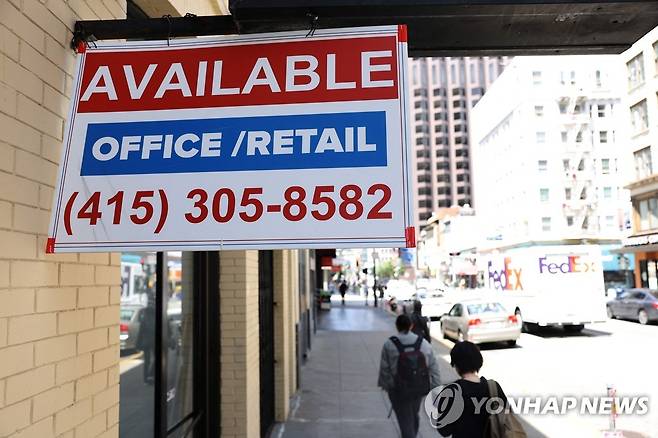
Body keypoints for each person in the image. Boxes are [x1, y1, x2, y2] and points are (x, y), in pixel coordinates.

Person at [379, 315, 441, 438]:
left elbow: (384, 370)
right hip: (418, 388)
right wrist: (435, 388)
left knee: (405, 420)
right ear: (411, 326)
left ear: (397, 326)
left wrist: (388, 387)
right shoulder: (424, 343)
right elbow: (434, 368)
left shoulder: (389, 344)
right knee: (413, 414)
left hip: (398, 390)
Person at [436, 341, 508, 438]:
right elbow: (506, 418)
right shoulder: (494, 387)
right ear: (478, 362)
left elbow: (444, 430)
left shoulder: (452, 392)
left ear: (456, 365)